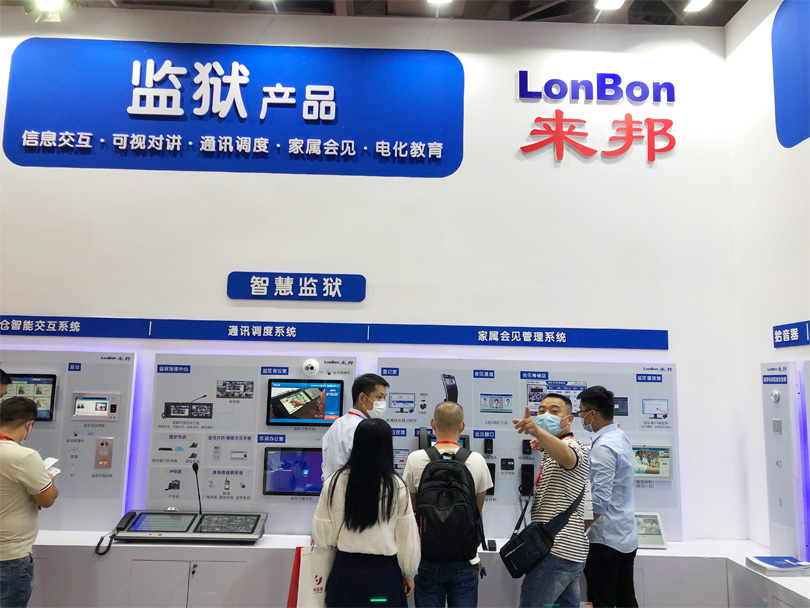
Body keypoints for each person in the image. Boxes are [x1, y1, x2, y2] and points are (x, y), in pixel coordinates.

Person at [313, 418, 420, 607]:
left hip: (345, 574)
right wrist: (409, 573)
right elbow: (406, 538)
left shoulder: (334, 482)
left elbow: (322, 535)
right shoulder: (396, 486)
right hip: (384, 576)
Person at [402, 401, 493, 607]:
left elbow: (413, 508)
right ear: (462, 426)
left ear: (432, 424)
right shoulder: (477, 460)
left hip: (427, 557)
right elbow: (476, 510)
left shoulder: (415, 459)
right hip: (465, 558)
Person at [513, 394, 589, 608]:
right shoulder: (553, 450)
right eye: (541, 411)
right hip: (568, 552)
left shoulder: (573, 446)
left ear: (569, 419)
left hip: (556, 551)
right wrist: (545, 444)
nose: (546, 415)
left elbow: (568, 456)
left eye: (554, 411)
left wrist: (538, 432)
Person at [578, 385, 639, 608]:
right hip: (625, 536)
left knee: (602, 601)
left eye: (581, 412)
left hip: (605, 542)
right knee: (625, 599)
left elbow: (599, 502)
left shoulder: (604, 446)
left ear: (592, 414)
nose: (580, 417)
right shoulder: (619, 437)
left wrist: (578, 531)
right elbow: (594, 454)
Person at [0, 396, 59, 608]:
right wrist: (48, 481)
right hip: (9, 557)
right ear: (28, 425)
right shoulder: (24, 456)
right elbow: (47, 499)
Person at [321, 373, 389, 480]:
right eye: (379, 397)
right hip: (355, 488)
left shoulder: (337, 423)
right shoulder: (364, 429)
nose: (383, 402)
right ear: (362, 398)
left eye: (384, 397)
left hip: (331, 486)